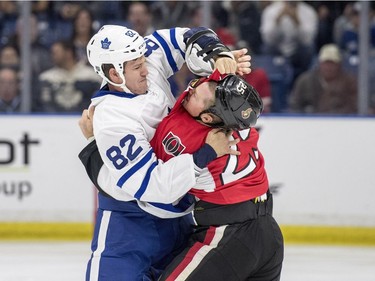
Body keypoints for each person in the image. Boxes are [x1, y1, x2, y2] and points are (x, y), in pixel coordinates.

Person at [78, 24, 250, 280]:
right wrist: (206, 153)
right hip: (129, 225)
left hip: (180, 221)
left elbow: (185, 37)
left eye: (143, 61)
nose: (147, 69)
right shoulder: (113, 119)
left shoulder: (142, 63)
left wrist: (217, 56)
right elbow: (154, 186)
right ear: (115, 74)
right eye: (137, 67)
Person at [149, 71, 284, 280]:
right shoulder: (237, 119)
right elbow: (213, 82)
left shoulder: (183, 136)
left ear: (207, 117)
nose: (190, 90)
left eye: (195, 96)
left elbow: (151, 180)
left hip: (229, 236)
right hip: (269, 235)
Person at [288, 43, 357, 114]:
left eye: (332, 63)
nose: (328, 67)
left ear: (339, 65)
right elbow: (294, 105)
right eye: (326, 63)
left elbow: (355, 106)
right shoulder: (305, 81)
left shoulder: (349, 82)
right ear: (319, 63)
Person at [35, 39, 101, 112]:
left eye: (56, 52)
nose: (52, 56)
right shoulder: (46, 77)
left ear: (68, 53)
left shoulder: (91, 76)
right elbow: (44, 105)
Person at [260, 1, 318, 83]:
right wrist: (277, 21)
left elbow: (307, 40)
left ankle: (304, 81)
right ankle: (270, 81)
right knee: (267, 47)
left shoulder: (308, 12)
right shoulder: (271, 10)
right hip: (278, 51)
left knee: (308, 49)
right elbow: (268, 39)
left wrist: (296, 21)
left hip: (298, 52)